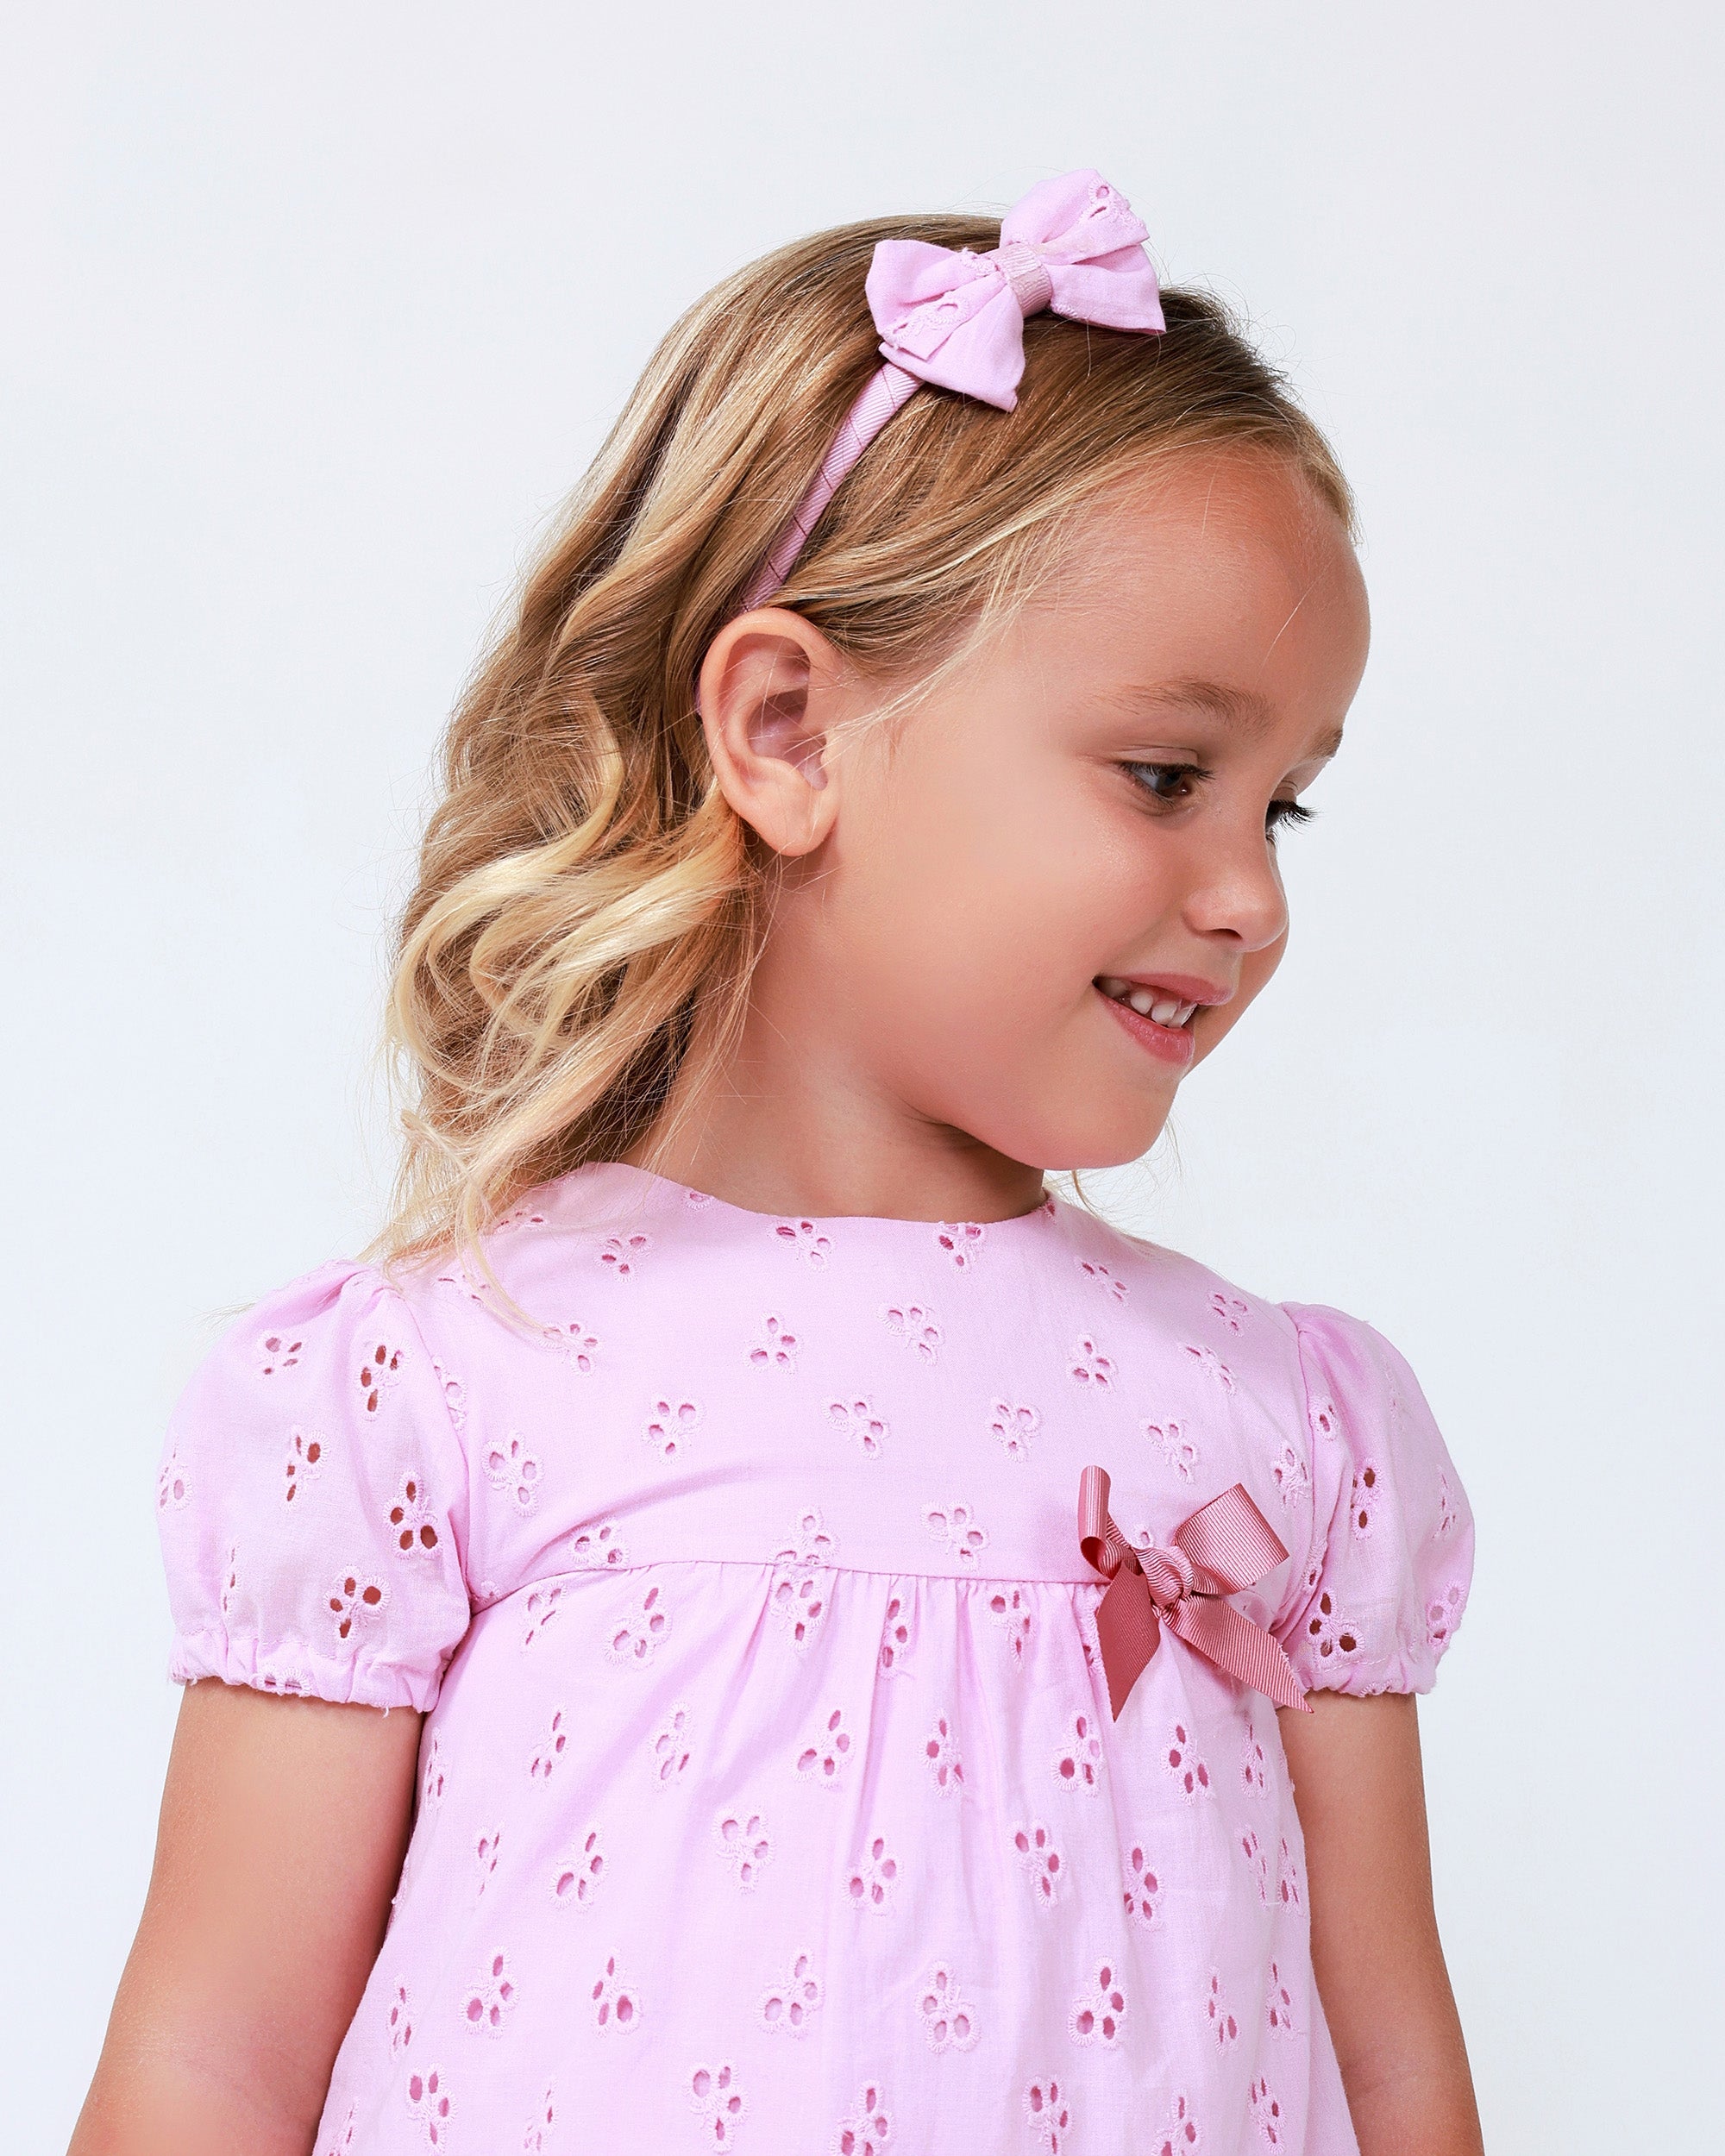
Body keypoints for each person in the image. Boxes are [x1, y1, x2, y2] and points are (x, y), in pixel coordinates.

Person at [72, 170, 1483, 2156]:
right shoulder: (441, 1380)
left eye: (1285, 806)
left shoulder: (1277, 1425)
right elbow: (213, 2058)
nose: (1249, 895)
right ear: (789, 726)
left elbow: (1393, 2065)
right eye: (1169, 775)